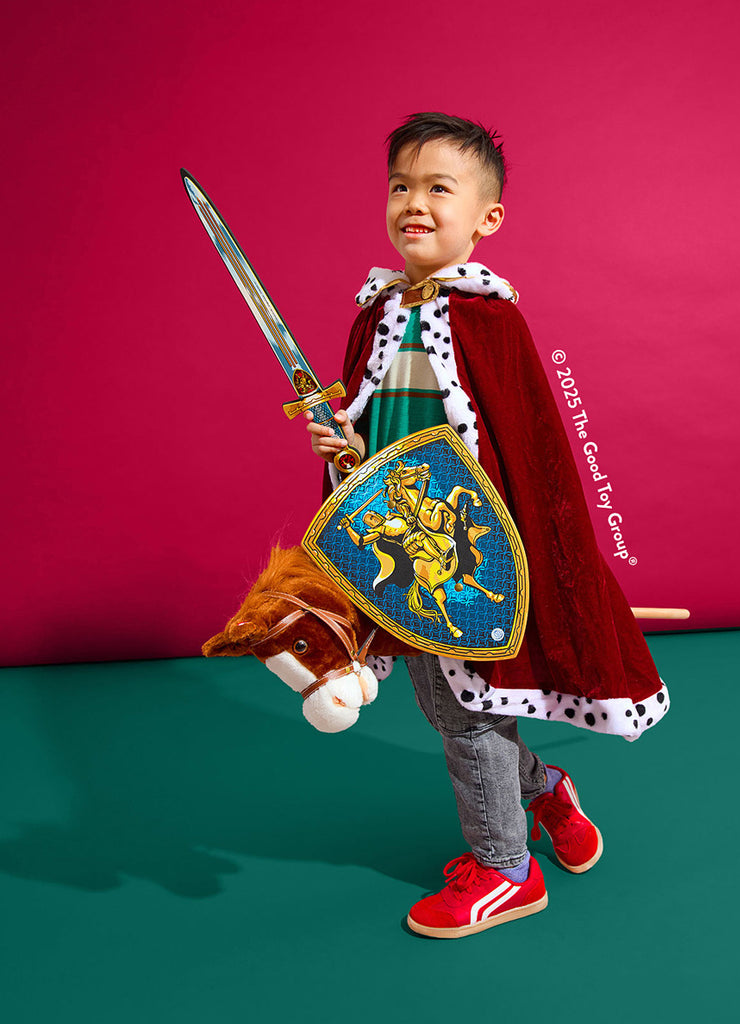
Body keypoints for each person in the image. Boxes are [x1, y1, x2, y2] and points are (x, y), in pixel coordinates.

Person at [306, 112, 668, 938]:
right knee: (443, 703)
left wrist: (539, 559)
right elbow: (378, 447)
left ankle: (507, 868)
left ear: (486, 217)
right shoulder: (374, 315)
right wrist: (343, 443)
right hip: (399, 547)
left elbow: (530, 452)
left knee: (468, 709)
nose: (415, 203)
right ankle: (546, 790)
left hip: (468, 554)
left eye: (439, 187)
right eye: (401, 186)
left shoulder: (491, 322)